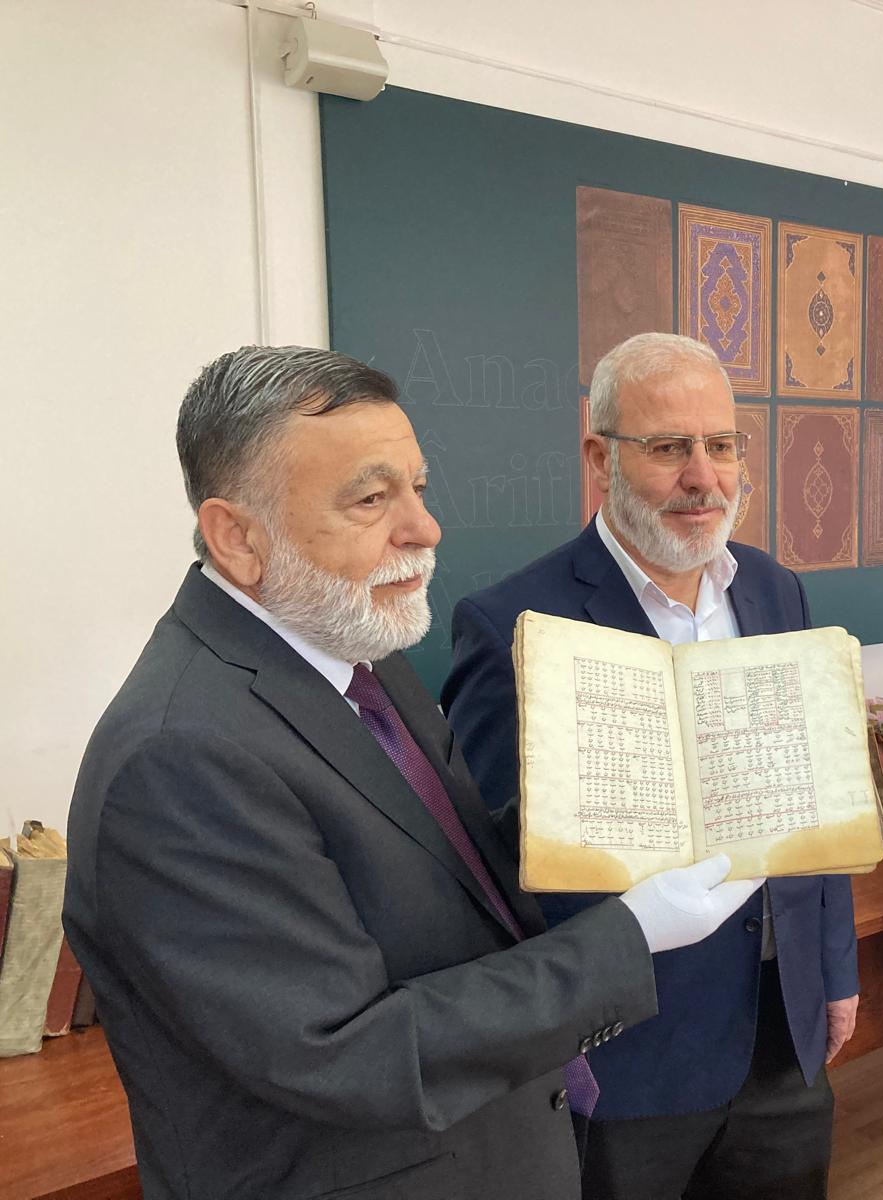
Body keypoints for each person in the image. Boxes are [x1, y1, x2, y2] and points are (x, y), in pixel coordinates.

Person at [64, 346, 762, 1200]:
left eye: (418, 489)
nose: (424, 529)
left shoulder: (362, 656)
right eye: (370, 499)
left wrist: (621, 808)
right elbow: (348, 1053)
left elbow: (448, 868)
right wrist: (632, 931)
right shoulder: (177, 758)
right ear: (237, 537)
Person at [443, 332, 859, 1200]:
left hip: (782, 1032)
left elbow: (812, 797)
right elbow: (491, 873)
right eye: (669, 447)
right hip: (626, 1055)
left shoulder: (776, 589)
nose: (704, 477)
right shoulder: (514, 622)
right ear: (601, 459)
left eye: (722, 445)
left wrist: (834, 971)